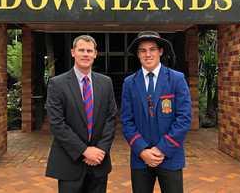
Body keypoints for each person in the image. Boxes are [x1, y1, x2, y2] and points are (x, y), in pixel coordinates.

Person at [121, 31, 192, 193]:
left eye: (152, 49)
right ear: (138, 54)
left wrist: (161, 149)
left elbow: (184, 118)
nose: (148, 54)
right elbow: (126, 121)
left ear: (160, 51)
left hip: (170, 155)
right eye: (142, 50)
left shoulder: (176, 79)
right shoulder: (129, 83)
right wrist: (142, 150)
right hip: (141, 158)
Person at [46, 35, 117, 193]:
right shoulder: (57, 84)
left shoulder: (106, 83)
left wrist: (101, 150)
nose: (86, 54)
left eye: (89, 50)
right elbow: (57, 124)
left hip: (99, 162)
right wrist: (84, 151)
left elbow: (111, 119)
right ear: (73, 52)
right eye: (81, 50)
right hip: (69, 162)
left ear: (95, 54)